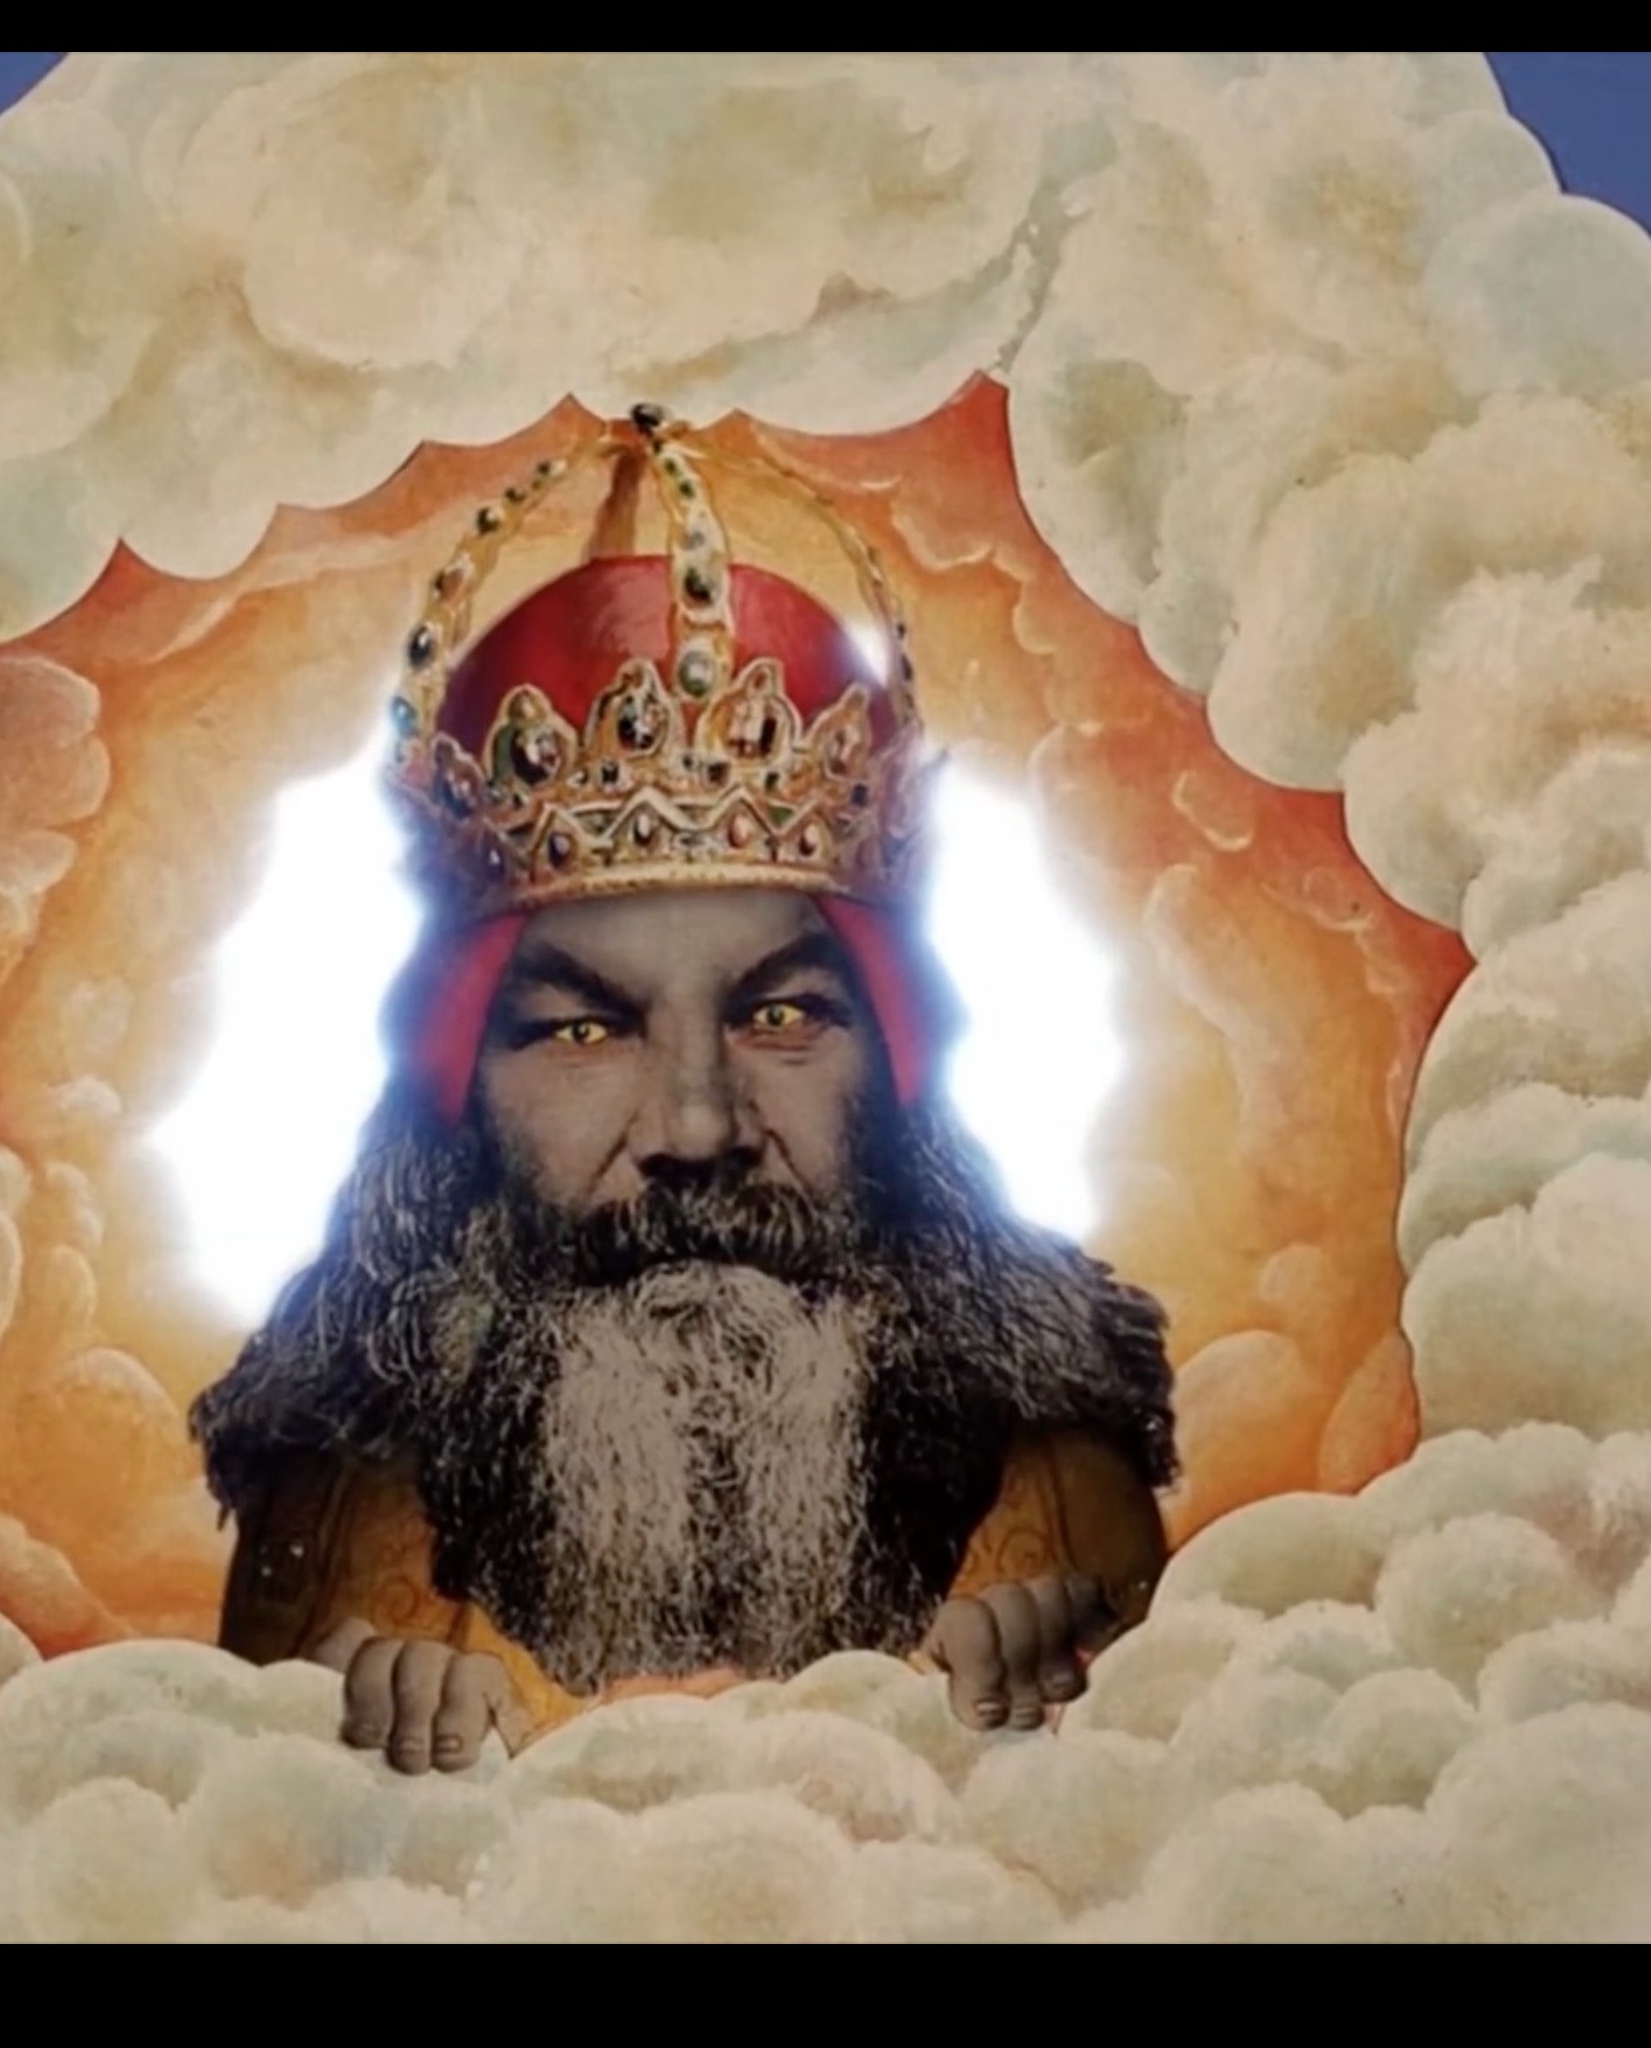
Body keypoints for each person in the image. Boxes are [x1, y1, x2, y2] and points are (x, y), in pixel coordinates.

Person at [188, 408, 1178, 1776]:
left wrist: (1051, 1733)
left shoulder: (1060, 1495)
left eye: (782, 1017)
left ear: (897, 1067)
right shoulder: (339, 1517)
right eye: (583, 1032)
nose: (699, 1128)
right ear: (457, 1098)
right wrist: (348, 1774)